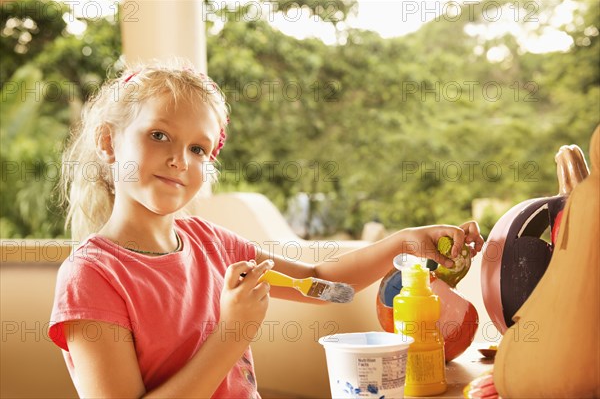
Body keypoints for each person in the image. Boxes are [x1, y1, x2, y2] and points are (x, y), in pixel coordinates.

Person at [49, 59, 484, 398]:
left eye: (198, 148)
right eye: (159, 135)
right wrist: (234, 331)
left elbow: (324, 286)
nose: (180, 159)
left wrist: (403, 243)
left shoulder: (215, 246)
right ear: (109, 142)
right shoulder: (92, 277)